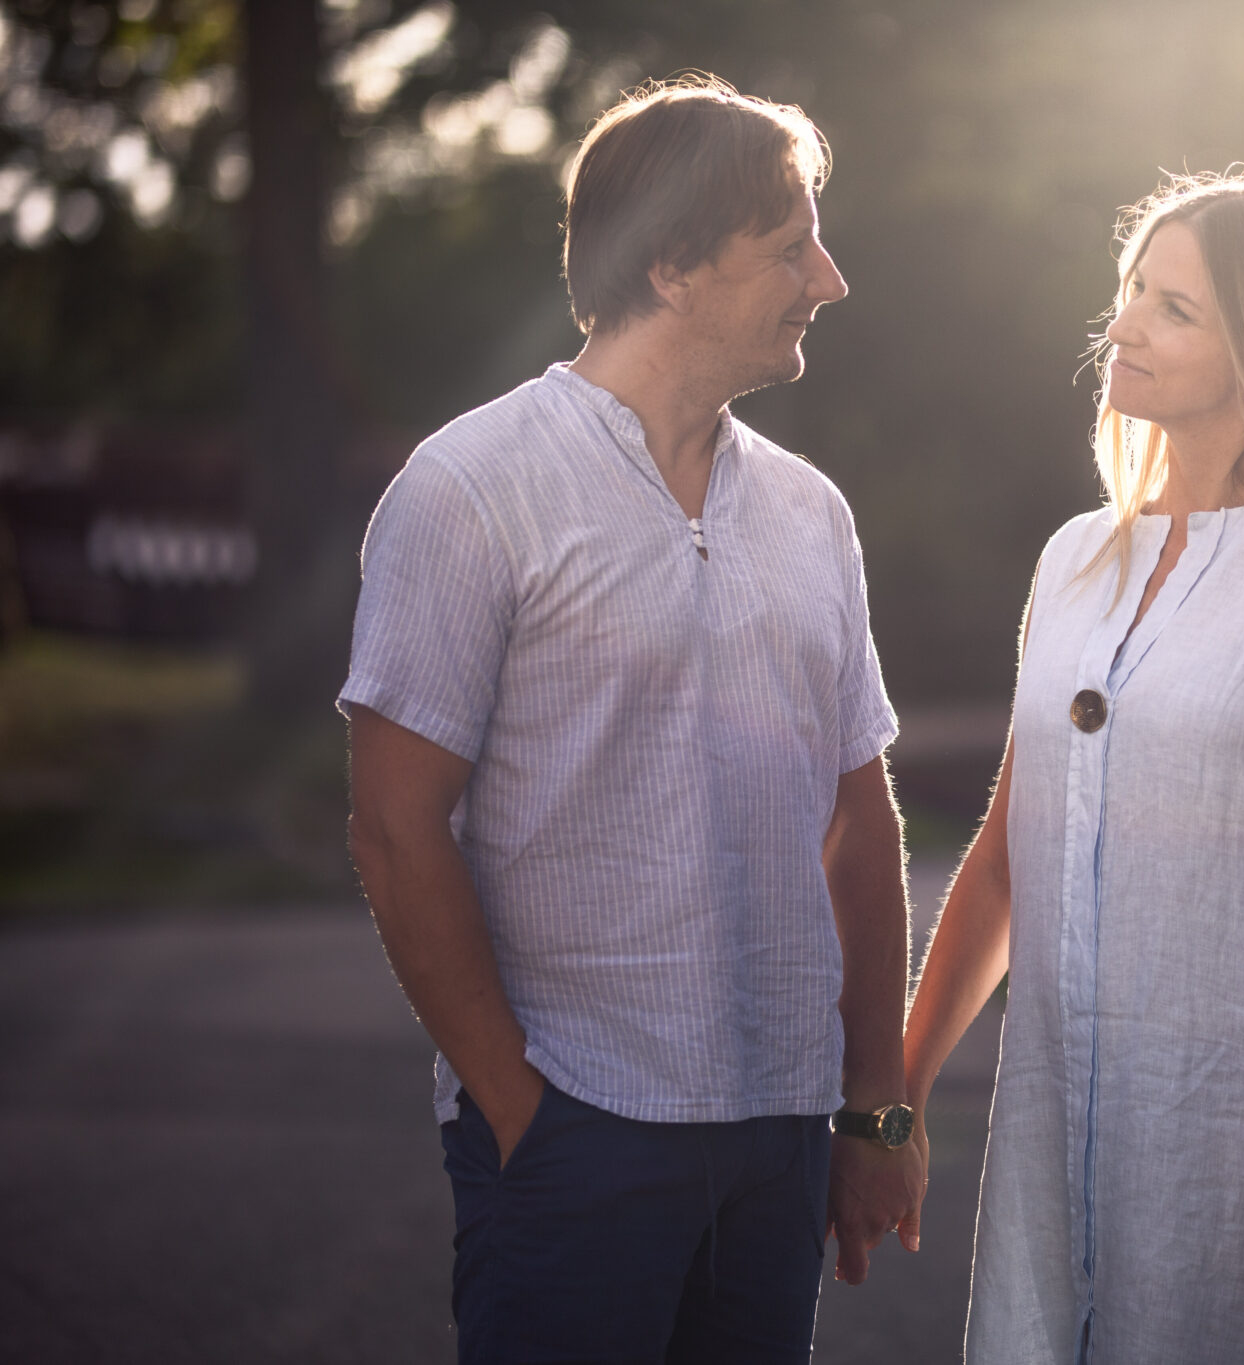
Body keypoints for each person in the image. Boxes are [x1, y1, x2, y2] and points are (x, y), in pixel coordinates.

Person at [341, 77, 922, 1364]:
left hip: (779, 1138)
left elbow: (855, 819)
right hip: (574, 1135)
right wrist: (514, 1105)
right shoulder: (469, 489)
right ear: (670, 266)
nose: (826, 279)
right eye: (787, 248)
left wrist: (873, 1105)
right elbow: (394, 824)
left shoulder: (812, 514)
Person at [902, 171, 1244, 1364]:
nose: (1125, 324)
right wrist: (897, 1093)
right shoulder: (1074, 555)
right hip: (1048, 1123)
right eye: (1133, 291)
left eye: (1175, 308)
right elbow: (1005, 851)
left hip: (1231, 1130)